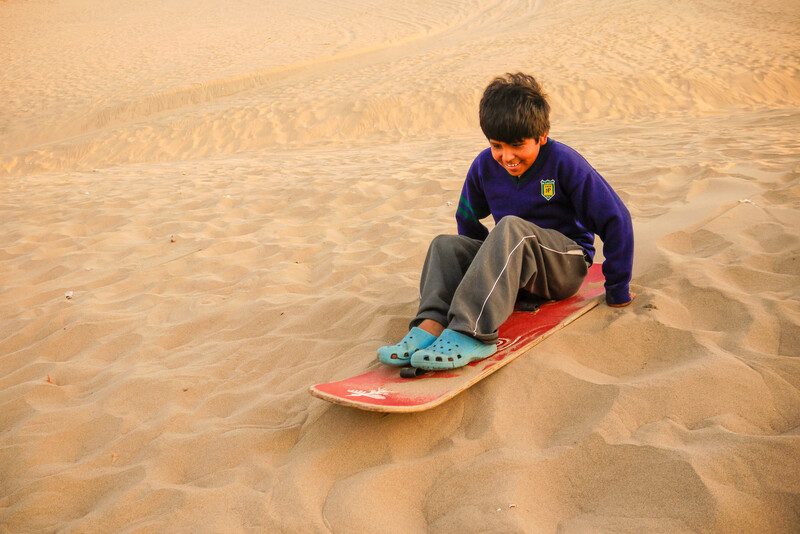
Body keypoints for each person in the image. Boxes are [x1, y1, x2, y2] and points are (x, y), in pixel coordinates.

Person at [378, 72, 634, 371]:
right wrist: (487, 271)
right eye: (496, 145)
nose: (506, 156)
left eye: (517, 145)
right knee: (445, 246)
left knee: (510, 227)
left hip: (565, 266)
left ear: (542, 135)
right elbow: (467, 216)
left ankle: (471, 332)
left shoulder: (564, 163)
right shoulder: (484, 166)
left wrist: (617, 289)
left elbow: (616, 218)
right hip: (516, 264)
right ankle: (431, 324)